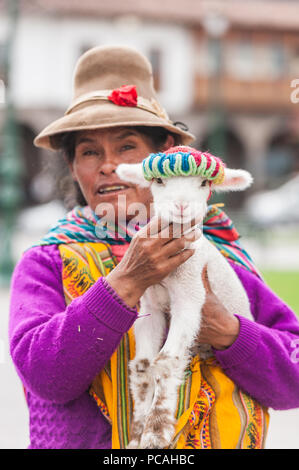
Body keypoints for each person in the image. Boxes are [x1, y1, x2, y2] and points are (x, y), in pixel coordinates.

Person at [9, 45, 299, 450]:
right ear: (73, 168)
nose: (108, 164)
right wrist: (126, 283)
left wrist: (224, 327)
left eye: (126, 146)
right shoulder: (47, 261)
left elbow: (293, 381)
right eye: (90, 152)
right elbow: (45, 377)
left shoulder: (216, 254)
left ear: (159, 158)